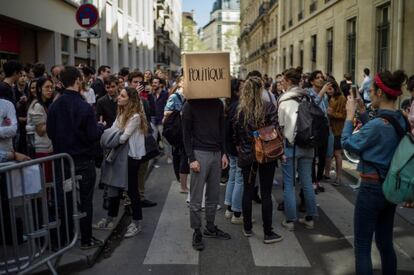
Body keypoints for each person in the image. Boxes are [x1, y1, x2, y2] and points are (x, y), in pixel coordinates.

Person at [342, 70, 409, 275]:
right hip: (389, 186)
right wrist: (364, 113)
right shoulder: (402, 118)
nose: (368, 93)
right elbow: (382, 132)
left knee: (362, 247)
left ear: (380, 93)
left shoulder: (378, 125)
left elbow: (348, 143)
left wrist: (350, 116)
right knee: (385, 243)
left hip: (371, 188)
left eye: (371, 90)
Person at [47, 66, 105, 250]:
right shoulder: (83, 106)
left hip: (63, 160)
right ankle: (86, 239)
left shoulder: (55, 105)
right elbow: (91, 135)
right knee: (86, 201)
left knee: (65, 200)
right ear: (78, 80)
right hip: (83, 161)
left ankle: (66, 238)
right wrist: (100, 127)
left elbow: (50, 132)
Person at [233, 76, 284, 243]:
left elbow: (236, 134)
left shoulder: (241, 110)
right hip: (266, 154)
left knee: (247, 190)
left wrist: (241, 146)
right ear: (261, 90)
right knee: (266, 193)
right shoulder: (268, 106)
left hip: (248, 155)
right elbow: (275, 129)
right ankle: (268, 232)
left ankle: (247, 227)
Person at [94, 87, 146, 238]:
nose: (119, 98)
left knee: (131, 190)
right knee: (114, 186)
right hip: (120, 155)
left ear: (130, 99)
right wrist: (113, 133)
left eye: (122, 96)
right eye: (119, 95)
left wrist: (110, 134)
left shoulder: (135, 116)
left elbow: (122, 137)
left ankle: (136, 223)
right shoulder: (122, 113)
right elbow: (114, 131)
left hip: (132, 157)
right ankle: (110, 219)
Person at [182, 94, 231, 251]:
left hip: (216, 153)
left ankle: (210, 227)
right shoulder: (190, 105)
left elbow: (222, 130)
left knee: (214, 194)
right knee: (196, 198)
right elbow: (185, 134)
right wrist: (191, 158)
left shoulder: (217, 103)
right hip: (199, 154)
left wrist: (223, 152)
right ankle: (196, 231)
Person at [278, 67, 318, 231]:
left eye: (283, 80)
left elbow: (280, 126)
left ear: (288, 81)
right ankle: (310, 217)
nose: (281, 83)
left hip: (290, 145)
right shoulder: (308, 97)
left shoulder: (284, 100)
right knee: (307, 181)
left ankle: (290, 220)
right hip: (308, 144)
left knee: (289, 183)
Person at [128, 71, 157, 208]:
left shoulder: (144, 101)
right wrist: (135, 97)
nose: (138, 85)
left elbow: (153, 112)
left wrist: (149, 94)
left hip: (142, 142)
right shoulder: (124, 99)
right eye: (135, 82)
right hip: (128, 145)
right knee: (129, 174)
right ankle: (130, 200)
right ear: (129, 83)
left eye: (140, 83)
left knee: (142, 170)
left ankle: (140, 197)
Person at [223, 79, 244, 224]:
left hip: (230, 146)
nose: (245, 90)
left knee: (232, 176)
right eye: (242, 88)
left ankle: (229, 208)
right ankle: (237, 213)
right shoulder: (239, 106)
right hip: (237, 147)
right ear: (236, 91)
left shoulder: (229, 105)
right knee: (239, 178)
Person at [164, 76, 189, 193]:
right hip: (177, 131)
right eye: (184, 81)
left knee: (183, 155)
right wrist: (180, 113)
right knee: (179, 155)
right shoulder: (174, 97)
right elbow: (166, 112)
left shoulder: (190, 96)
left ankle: (182, 182)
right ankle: (182, 183)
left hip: (186, 131)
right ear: (179, 83)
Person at [307, 70, 331, 192]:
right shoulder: (308, 93)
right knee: (312, 156)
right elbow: (313, 106)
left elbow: (325, 109)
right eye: (317, 77)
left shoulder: (325, 96)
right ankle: (312, 182)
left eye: (322, 77)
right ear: (312, 81)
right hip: (313, 128)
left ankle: (318, 180)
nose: (321, 79)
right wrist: (322, 92)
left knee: (323, 156)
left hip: (324, 128)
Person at [325, 77, 346, 186]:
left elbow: (343, 115)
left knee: (337, 153)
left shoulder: (341, 98)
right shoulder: (329, 97)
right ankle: (327, 174)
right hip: (329, 129)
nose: (328, 91)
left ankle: (338, 177)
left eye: (329, 89)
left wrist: (331, 113)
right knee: (329, 153)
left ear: (334, 88)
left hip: (337, 130)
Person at [27, 77, 54, 162]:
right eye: (47, 87)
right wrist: (56, 121)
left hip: (47, 147)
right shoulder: (37, 105)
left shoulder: (45, 104)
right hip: (41, 149)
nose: (50, 90)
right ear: (39, 89)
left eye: (51, 87)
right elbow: (40, 131)